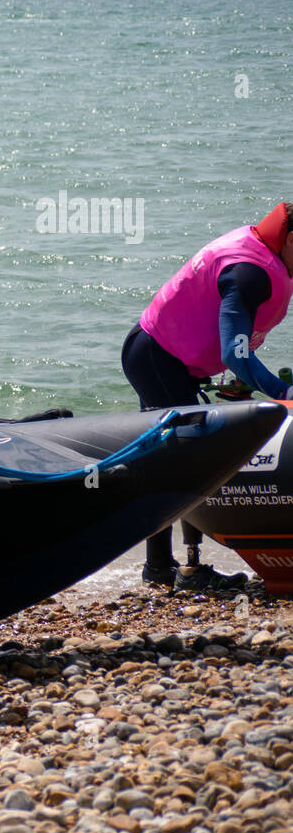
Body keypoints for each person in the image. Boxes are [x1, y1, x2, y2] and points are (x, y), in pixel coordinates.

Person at [124, 202, 293, 592]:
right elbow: (236, 353)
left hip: (175, 362)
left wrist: (242, 379)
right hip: (155, 358)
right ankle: (178, 569)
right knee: (182, 457)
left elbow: (231, 342)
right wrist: (283, 393)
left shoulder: (267, 257)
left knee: (174, 457)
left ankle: (166, 568)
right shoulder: (250, 272)